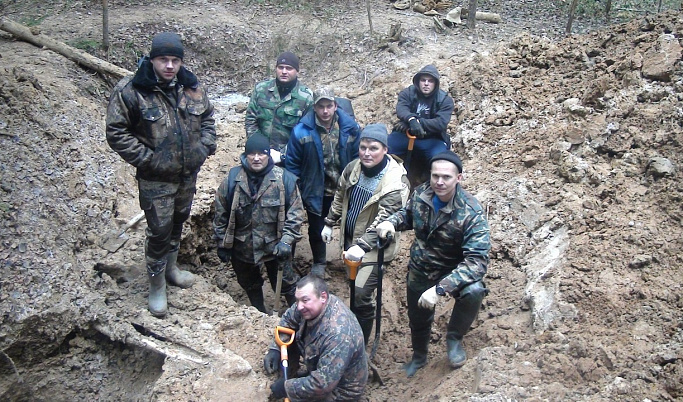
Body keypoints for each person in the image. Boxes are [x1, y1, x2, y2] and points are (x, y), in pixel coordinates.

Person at [106, 32, 216, 318]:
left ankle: (171, 269)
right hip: (156, 179)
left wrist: (203, 148)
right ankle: (156, 286)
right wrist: (149, 160)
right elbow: (116, 132)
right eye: (163, 60)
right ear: (152, 59)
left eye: (175, 60)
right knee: (158, 230)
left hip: (186, 175)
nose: (169, 66)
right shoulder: (132, 90)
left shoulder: (192, 87)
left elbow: (207, 119)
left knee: (179, 222)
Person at [376, 151, 490, 377]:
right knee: (418, 317)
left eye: (446, 177)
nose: (439, 182)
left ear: (459, 178)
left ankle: (454, 339)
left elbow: (477, 263)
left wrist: (440, 289)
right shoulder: (422, 194)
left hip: (454, 270)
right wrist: (391, 222)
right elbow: (407, 215)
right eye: (435, 175)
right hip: (422, 266)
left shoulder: (471, 212)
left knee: (475, 290)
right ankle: (419, 357)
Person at [320, 124, 410, 344]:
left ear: (385, 150)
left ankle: (360, 340)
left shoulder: (396, 183)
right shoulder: (353, 168)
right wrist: (329, 222)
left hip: (375, 247)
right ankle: (353, 322)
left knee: (361, 293)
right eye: (363, 147)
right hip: (350, 240)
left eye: (373, 148)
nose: (367, 153)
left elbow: (385, 219)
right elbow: (341, 194)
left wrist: (361, 245)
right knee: (352, 284)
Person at [213, 134, 304, 313]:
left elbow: (296, 213)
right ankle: (259, 312)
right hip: (242, 247)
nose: (256, 158)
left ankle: (299, 316)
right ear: (245, 155)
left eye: (261, 154)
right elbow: (220, 212)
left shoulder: (284, 180)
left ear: (268, 155)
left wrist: (286, 240)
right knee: (249, 283)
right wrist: (222, 243)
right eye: (251, 154)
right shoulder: (233, 180)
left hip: (275, 247)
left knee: (286, 284)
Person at [285, 88, 361, 278]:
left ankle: (349, 258)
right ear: (315, 107)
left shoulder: (350, 128)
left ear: (335, 106)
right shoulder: (301, 131)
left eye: (329, 106)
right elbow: (293, 163)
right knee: (316, 227)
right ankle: (319, 261)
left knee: (349, 225)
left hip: (344, 188)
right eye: (321, 106)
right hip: (316, 188)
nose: (325, 111)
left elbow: (358, 157)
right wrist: (295, 189)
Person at [263, 275, 368, 401]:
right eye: (297, 300)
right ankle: (295, 374)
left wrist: (287, 388)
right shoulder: (309, 306)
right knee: (293, 334)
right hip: (323, 368)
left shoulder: (339, 335)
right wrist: (276, 348)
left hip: (340, 391)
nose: (300, 306)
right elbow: (288, 320)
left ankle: (300, 379)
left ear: (323, 297)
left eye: (305, 300)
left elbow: (322, 384)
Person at [245, 52, 313, 164]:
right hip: (259, 156)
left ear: (297, 71)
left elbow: (305, 133)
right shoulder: (261, 90)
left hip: (291, 157)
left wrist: (283, 155)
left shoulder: (306, 98)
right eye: (280, 67)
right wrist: (260, 148)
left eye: (289, 68)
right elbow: (250, 120)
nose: (284, 72)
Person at [388, 64, 455, 165]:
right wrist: (411, 120)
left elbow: (440, 123)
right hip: (405, 135)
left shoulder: (445, 100)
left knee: (441, 162)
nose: (426, 84)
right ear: (418, 81)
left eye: (430, 81)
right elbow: (402, 109)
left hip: (432, 139)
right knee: (382, 149)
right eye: (423, 80)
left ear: (435, 83)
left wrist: (417, 122)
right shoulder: (408, 93)